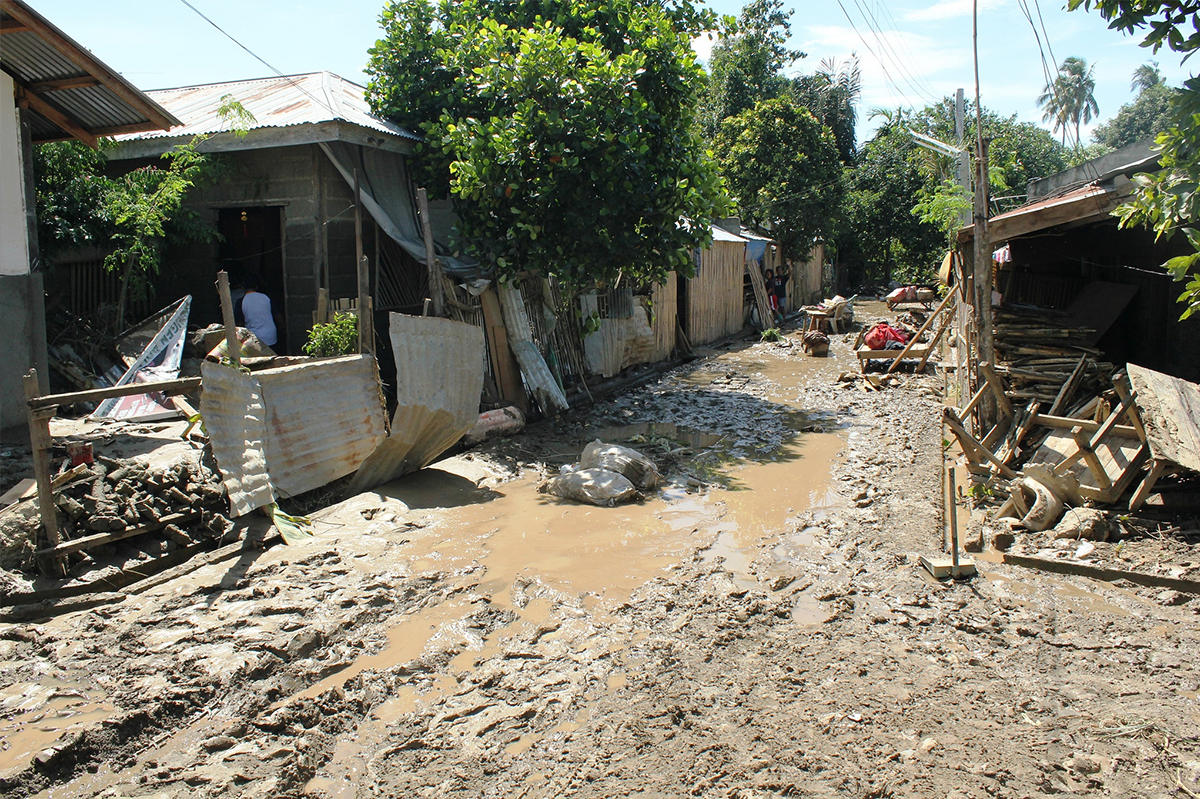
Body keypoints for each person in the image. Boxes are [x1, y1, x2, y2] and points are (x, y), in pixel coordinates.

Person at [240, 273, 278, 348]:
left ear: (242, 288)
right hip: (270, 336)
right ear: (256, 287)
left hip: (254, 338)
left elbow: (239, 323)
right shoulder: (266, 297)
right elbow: (277, 315)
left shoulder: (241, 301)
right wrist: (282, 326)